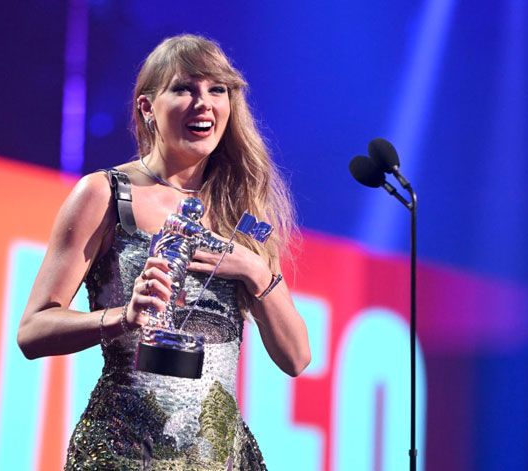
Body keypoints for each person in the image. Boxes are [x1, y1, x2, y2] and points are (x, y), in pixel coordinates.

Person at [17, 34, 310, 471]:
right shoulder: (105, 194)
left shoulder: (240, 208)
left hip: (220, 458)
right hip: (124, 454)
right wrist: (124, 317)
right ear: (146, 108)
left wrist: (253, 269)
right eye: (184, 88)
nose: (204, 102)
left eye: (217, 90)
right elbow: (33, 331)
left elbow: (297, 358)